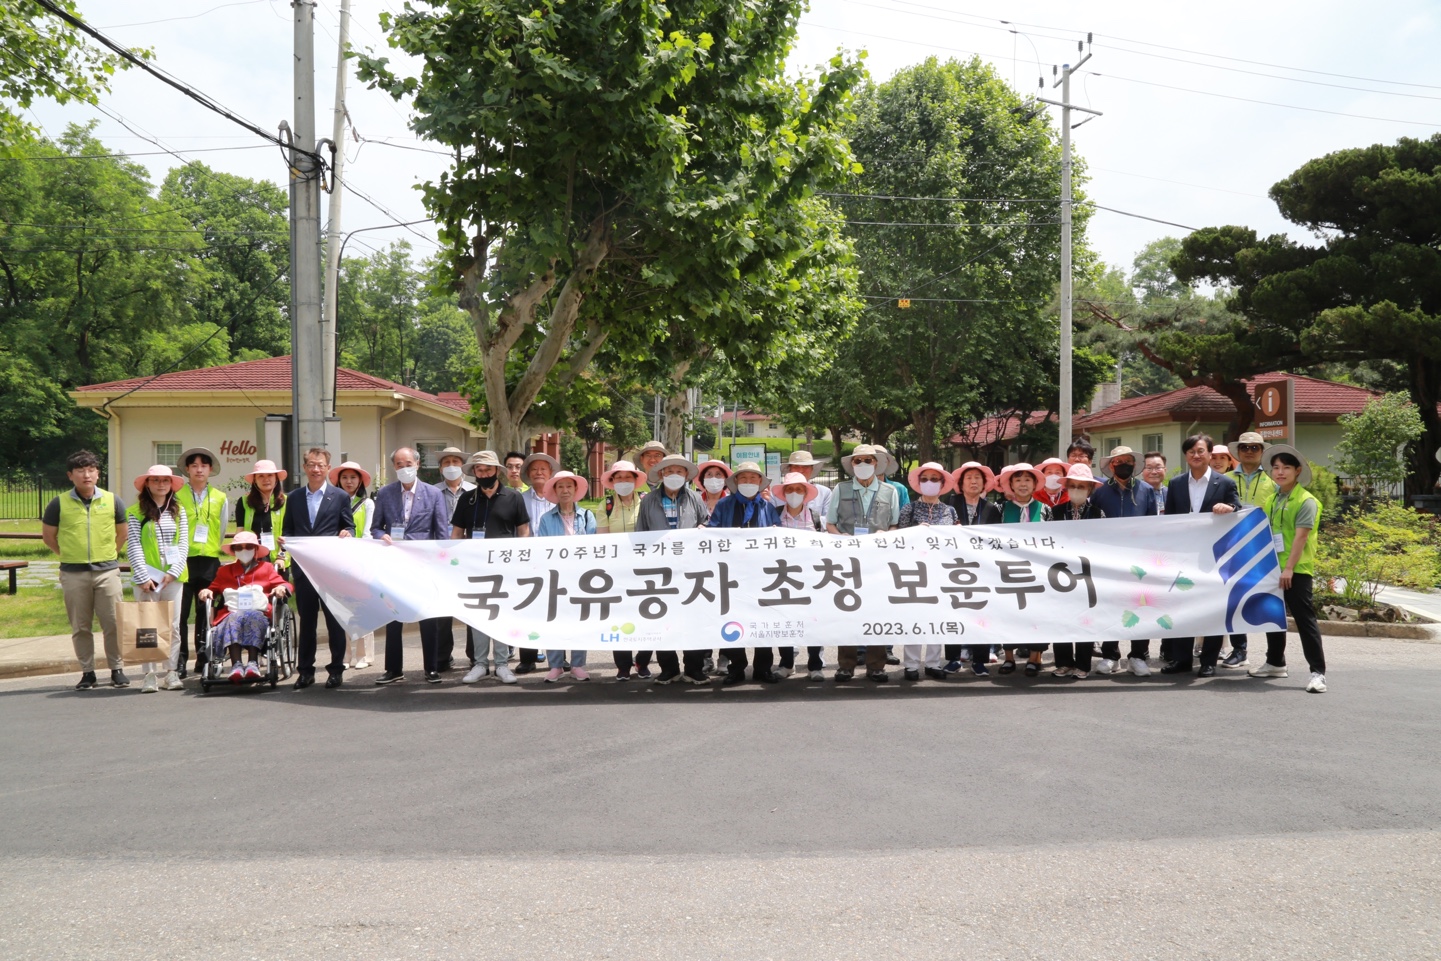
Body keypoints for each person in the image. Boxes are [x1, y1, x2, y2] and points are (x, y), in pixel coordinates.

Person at [42, 450, 129, 690]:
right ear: (71, 475)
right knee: (81, 626)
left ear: (98, 474)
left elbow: (122, 533)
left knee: (112, 623)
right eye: (80, 471)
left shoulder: (113, 500)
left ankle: (117, 669)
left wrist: (111, 554)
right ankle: (88, 672)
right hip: (73, 573)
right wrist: (68, 555)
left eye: (91, 470)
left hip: (107, 572)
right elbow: (49, 537)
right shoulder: (58, 502)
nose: (86, 475)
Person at [370, 447, 452, 686]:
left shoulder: (433, 494)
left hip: (422, 563)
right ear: (393, 467)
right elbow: (376, 527)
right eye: (398, 464)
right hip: (394, 562)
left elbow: (441, 532)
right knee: (393, 617)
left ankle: (432, 668)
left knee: (426, 616)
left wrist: (439, 562)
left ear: (417, 465)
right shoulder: (384, 494)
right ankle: (393, 669)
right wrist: (381, 536)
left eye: (408, 463)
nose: (404, 468)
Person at [1249, 444, 1327, 693]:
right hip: (1273, 568)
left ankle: (1318, 673)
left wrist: (1289, 568)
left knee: (1305, 621)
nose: (1280, 472)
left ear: (1298, 471)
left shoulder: (1307, 501)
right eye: (1276, 468)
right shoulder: (1273, 499)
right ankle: (1275, 662)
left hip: (1296, 570)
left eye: (1286, 468)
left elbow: (1300, 538)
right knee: (1273, 616)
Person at [1160, 433, 1241, 676]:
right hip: (1183, 557)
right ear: (1186, 456)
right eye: (1191, 451)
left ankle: (1208, 661)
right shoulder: (1175, 484)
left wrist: (1230, 508)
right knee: (1182, 606)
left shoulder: (1224, 483)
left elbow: (1237, 510)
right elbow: (1169, 521)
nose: (1196, 455)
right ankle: (1182, 659)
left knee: (1212, 608)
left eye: (1201, 451)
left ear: (1209, 454)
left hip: (1213, 557)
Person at [279, 447, 355, 689]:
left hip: (330, 570)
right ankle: (305, 671)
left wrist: (348, 533)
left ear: (328, 468)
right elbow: (289, 529)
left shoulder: (340, 496)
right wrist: (285, 543)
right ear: (304, 468)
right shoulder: (295, 497)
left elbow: (349, 526)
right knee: (307, 621)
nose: (316, 469)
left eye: (321, 465)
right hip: (304, 570)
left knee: (334, 621)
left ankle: (335, 670)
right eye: (311, 464)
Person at [453, 451, 531, 685]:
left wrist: (521, 561)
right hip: (475, 569)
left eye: (488, 469)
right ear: (474, 473)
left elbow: (524, 531)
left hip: (506, 568)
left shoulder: (514, 497)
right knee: (478, 616)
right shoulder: (466, 499)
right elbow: (457, 533)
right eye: (479, 470)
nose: (484, 474)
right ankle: (480, 664)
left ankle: (502, 664)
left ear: (497, 470)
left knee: (503, 616)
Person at [827, 444, 900, 682]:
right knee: (846, 610)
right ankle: (846, 665)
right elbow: (830, 524)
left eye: (868, 460)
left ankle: (876, 665)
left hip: (878, 562)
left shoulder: (890, 491)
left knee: (877, 611)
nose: (863, 465)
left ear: (876, 464)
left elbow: (895, 525)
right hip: (846, 562)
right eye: (858, 461)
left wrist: (886, 535)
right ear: (852, 465)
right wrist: (841, 538)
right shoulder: (841, 488)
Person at [636, 454, 711, 684]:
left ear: (686, 476)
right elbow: (640, 533)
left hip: (691, 570)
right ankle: (669, 667)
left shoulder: (695, 498)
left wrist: (702, 527)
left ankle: (694, 667)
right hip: (659, 570)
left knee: (693, 619)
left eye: (679, 472)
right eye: (669, 472)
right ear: (661, 475)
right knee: (662, 619)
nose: (674, 476)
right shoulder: (649, 501)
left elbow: (706, 523)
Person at [706, 461, 781, 685]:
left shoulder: (767, 507)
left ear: (760, 482)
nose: (749, 482)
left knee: (764, 622)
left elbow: (777, 535)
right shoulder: (724, 505)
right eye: (744, 478)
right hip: (731, 573)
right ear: (736, 482)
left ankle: (763, 669)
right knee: (732, 620)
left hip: (763, 574)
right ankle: (736, 668)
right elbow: (713, 534)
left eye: (753, 478)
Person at [1089, 445, 1161, 676]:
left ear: (1134, 464)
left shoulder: (1146, 490)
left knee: (1141, 607)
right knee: (1110, 606)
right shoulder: (1099, 492)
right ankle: (1111, 655)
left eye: (1128, 461)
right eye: (1118, 461)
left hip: (1139, 561)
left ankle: (1138, 656)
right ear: (1111, 465)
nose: (1123, 464)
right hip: (1108, 560)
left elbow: (1154, 526)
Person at [125, 465, 190, 693]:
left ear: (171, 484)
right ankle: (149, 674)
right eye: (156, 480)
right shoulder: (135, 512)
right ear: (147, 484)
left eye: (165, 480)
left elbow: (183, 544)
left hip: (173, 577)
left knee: (172, 625)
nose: (161, 484)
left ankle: (171, 672)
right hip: (147, 579)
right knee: (147, 627)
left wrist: (173, 572)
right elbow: (133, 545)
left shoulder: (179, 511)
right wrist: (143, 577)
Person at [199, 531, 290, 683]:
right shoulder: (225, 571)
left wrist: (281, 588)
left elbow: (285, 584)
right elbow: (213, 588)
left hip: (258, 612)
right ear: (234, 551)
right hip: (232, 613)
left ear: (255, 549)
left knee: (251, 616)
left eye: (248, 547)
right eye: (239, 548)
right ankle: (236, 665)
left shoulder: (266, 568)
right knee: (235, 617)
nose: (244, 550)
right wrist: (207, 590)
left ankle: (253, 663)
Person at [1222, 432, 1279, 669]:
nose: (1249, 451)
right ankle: (1239, 649)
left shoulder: (1274, 480)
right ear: (1238, 451)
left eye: (1255, 447)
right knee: (1234, 597)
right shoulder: (1223, 479)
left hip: (1263, 546)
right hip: (1230, 545)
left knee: (1268, 598)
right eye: (1245, 447)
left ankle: (1274, 657)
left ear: (1262, 451)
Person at [535, 470, 598, 681]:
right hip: (555, 578)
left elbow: (594, 547)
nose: (565, 490)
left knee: (580, 620)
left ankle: (578, 664)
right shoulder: (546, 519)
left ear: (575, 489)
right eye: (560, 486)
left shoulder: (588, 516)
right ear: (555, 490)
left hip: (581, 579)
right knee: (554, 619)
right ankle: (555, 665)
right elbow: (543, 548)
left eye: (569, 486)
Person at [896, 462, 956, 681]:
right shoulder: (909, 508)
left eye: (934, 479)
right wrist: (916, 532)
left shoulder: (949, 510)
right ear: (918, 483)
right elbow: (899, 538)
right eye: (925, 479)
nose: (929, 483)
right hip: (913, 571)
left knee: (937, 616)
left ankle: (932, 662)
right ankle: (911, 664)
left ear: (942, 483)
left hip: (941, 570)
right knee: (914, 615)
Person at [174, 447, 229, 678]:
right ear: (187, 469)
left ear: (210, 470)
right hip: (182, 560)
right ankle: (179, 660)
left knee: (205, 613)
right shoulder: (175, 495)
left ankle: (203, 658)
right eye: (194, 465)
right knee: (181, 613)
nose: (199, 469)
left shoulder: (220, 497)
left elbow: (223, 528)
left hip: (209, 561)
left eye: (203, 466)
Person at [1047, 463, 1106, 679]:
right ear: (1066, 488)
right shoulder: (1056, 512)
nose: (1077, 490)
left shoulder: (1097, 513)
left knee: (1085, 618)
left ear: (1090, 490)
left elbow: (1102, 543)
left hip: (1087, 574)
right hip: (1059, 573)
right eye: (1073, 486)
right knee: (1061, 617)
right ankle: (1063, 662)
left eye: (1082, 486)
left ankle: (1083, 664)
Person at [946, 461, 1002, 676]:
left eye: (977, 478)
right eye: (968, 477)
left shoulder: (991, 509)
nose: (973, 481)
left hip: (982, 567)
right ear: (961, 482)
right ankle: (952, 658)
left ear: (984, 483)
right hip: (953, 566)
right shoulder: (950, 504)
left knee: (981, 612)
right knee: (953, 611)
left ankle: (980, 660)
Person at [599, 460, 653, 680]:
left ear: (635, 480)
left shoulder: (646, 501)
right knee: (619, 618)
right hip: (617, 571)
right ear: (612, 482)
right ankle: (623, 666)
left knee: (648, 616)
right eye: (618, 478)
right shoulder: (606, 504)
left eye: (627, 477)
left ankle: (643, 661)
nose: (623, 482)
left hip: (646, 571)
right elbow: (603, 537)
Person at [995, 463, 1051, 676]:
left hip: (1037, 571)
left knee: (1037, 614)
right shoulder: (1000, 509)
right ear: (1011, 484)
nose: (1023, 484)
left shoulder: (1045, 509)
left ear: (1035, 484)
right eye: (1018, 480)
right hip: (1006, 569)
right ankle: (1008, 657)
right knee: (1008, 613)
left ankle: (1035, 658)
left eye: (1027, 480)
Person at [773, 471, 826, 681]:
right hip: (781, 577)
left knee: (813, 620)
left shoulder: (816, 518)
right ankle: (786, 663)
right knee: (784, 620)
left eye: (799, 489)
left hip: (811, 577)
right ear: (784, 493)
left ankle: (815, 665)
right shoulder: (774, 515)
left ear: (806, 493)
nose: (794, 493)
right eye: (790, 489)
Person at [515, 450, 560, 672]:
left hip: (556, 563)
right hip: (528, 562)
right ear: (528, 474)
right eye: (534, 469)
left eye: (543, 468)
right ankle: (527, 658)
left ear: (551, 472)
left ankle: (558, 658)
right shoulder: (519, 499)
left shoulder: (561, 498)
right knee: (528, 609)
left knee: (557, 610)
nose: (539, 472)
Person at [329, 461, 375, 669]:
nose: (349, 482)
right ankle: (346, 655)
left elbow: (368, 533)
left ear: (360, 481)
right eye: (345, 477)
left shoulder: (367, 504)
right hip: (338, 561)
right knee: (342, 608)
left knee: (363, 607)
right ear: (338, 480)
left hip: (361, 559)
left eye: (353, 478)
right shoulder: (333, 502)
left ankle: (365, 655)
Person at [432, 447, 473, 671]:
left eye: (455, 461)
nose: (451, 466)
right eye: (446, 462)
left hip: (467, 556)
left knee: (471, 605)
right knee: (442, 607)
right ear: (440, 468)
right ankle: (442, 656)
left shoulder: (474, 491)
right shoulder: (431, 492)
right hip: (439, 556)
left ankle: (475, 655)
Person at [694, 458, 733, 676]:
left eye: (719, 475)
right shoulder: (694, 500)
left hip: (727, 567)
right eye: (709, 475)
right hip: (700, 569)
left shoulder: (733, 501)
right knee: (704, 614)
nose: (714, 479)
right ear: (701, 480)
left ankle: (725, 658)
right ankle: (705, 657)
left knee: (727, 613)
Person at [231, 459, 287, 563]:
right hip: (251, 560)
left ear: (276, 478)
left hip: (278, 561)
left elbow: (288, 533)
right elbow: (240, 531)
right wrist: (237, 556)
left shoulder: (287, 501)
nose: (266, 479)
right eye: (261, 476)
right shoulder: (244, 502)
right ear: (254, 480)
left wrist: (281, 556)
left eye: (270, 475)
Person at [782, 449, 832, 518]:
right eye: (796, 467)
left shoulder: (824, 493)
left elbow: (827, 521)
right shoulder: (776, 495)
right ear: (789, 469)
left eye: (805, 467)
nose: (801, 470)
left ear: (812, 469)